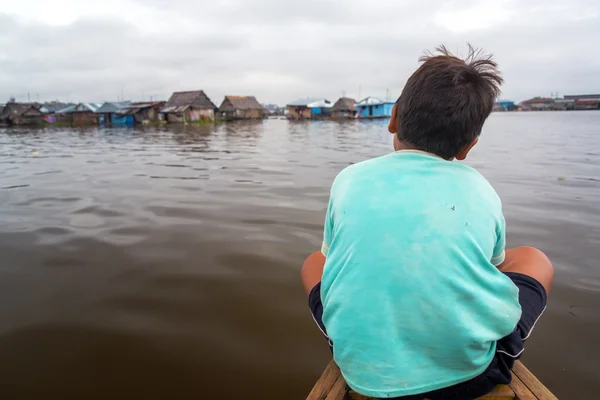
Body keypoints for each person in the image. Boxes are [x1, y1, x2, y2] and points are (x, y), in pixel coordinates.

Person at [301, 45, 554, 400]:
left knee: (314, 262)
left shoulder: (349, 179)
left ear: (393, 118)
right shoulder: (481, 189)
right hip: (472, 377)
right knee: (533, 259)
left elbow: (332, 260)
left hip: (363, 373)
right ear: (469, 146)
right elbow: (494, 268)